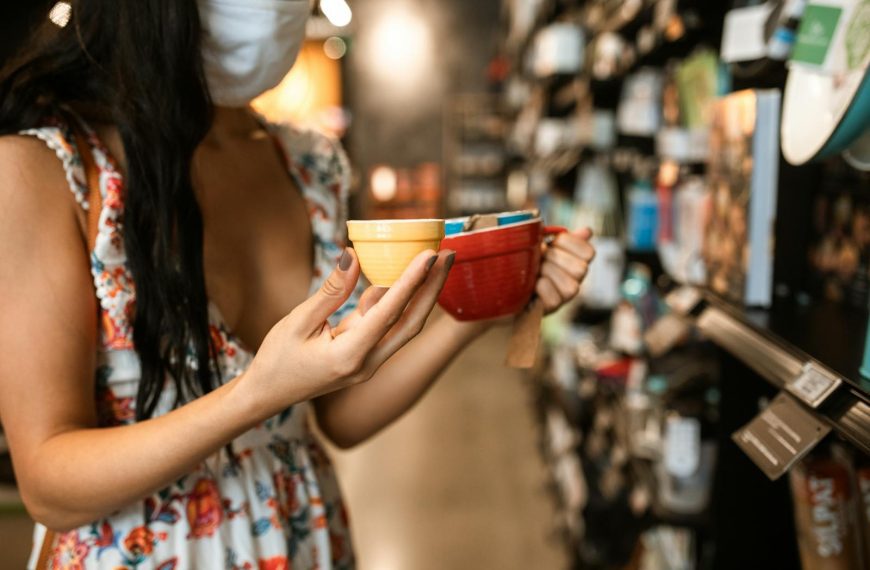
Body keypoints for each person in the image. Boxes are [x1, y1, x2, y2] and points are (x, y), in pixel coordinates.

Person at [0, 1, 596, 568]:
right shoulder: (44, 169)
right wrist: (255, 395)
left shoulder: (306, 164)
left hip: (304, 536)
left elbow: (337, 413)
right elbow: (50, 486)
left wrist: (486, 311)